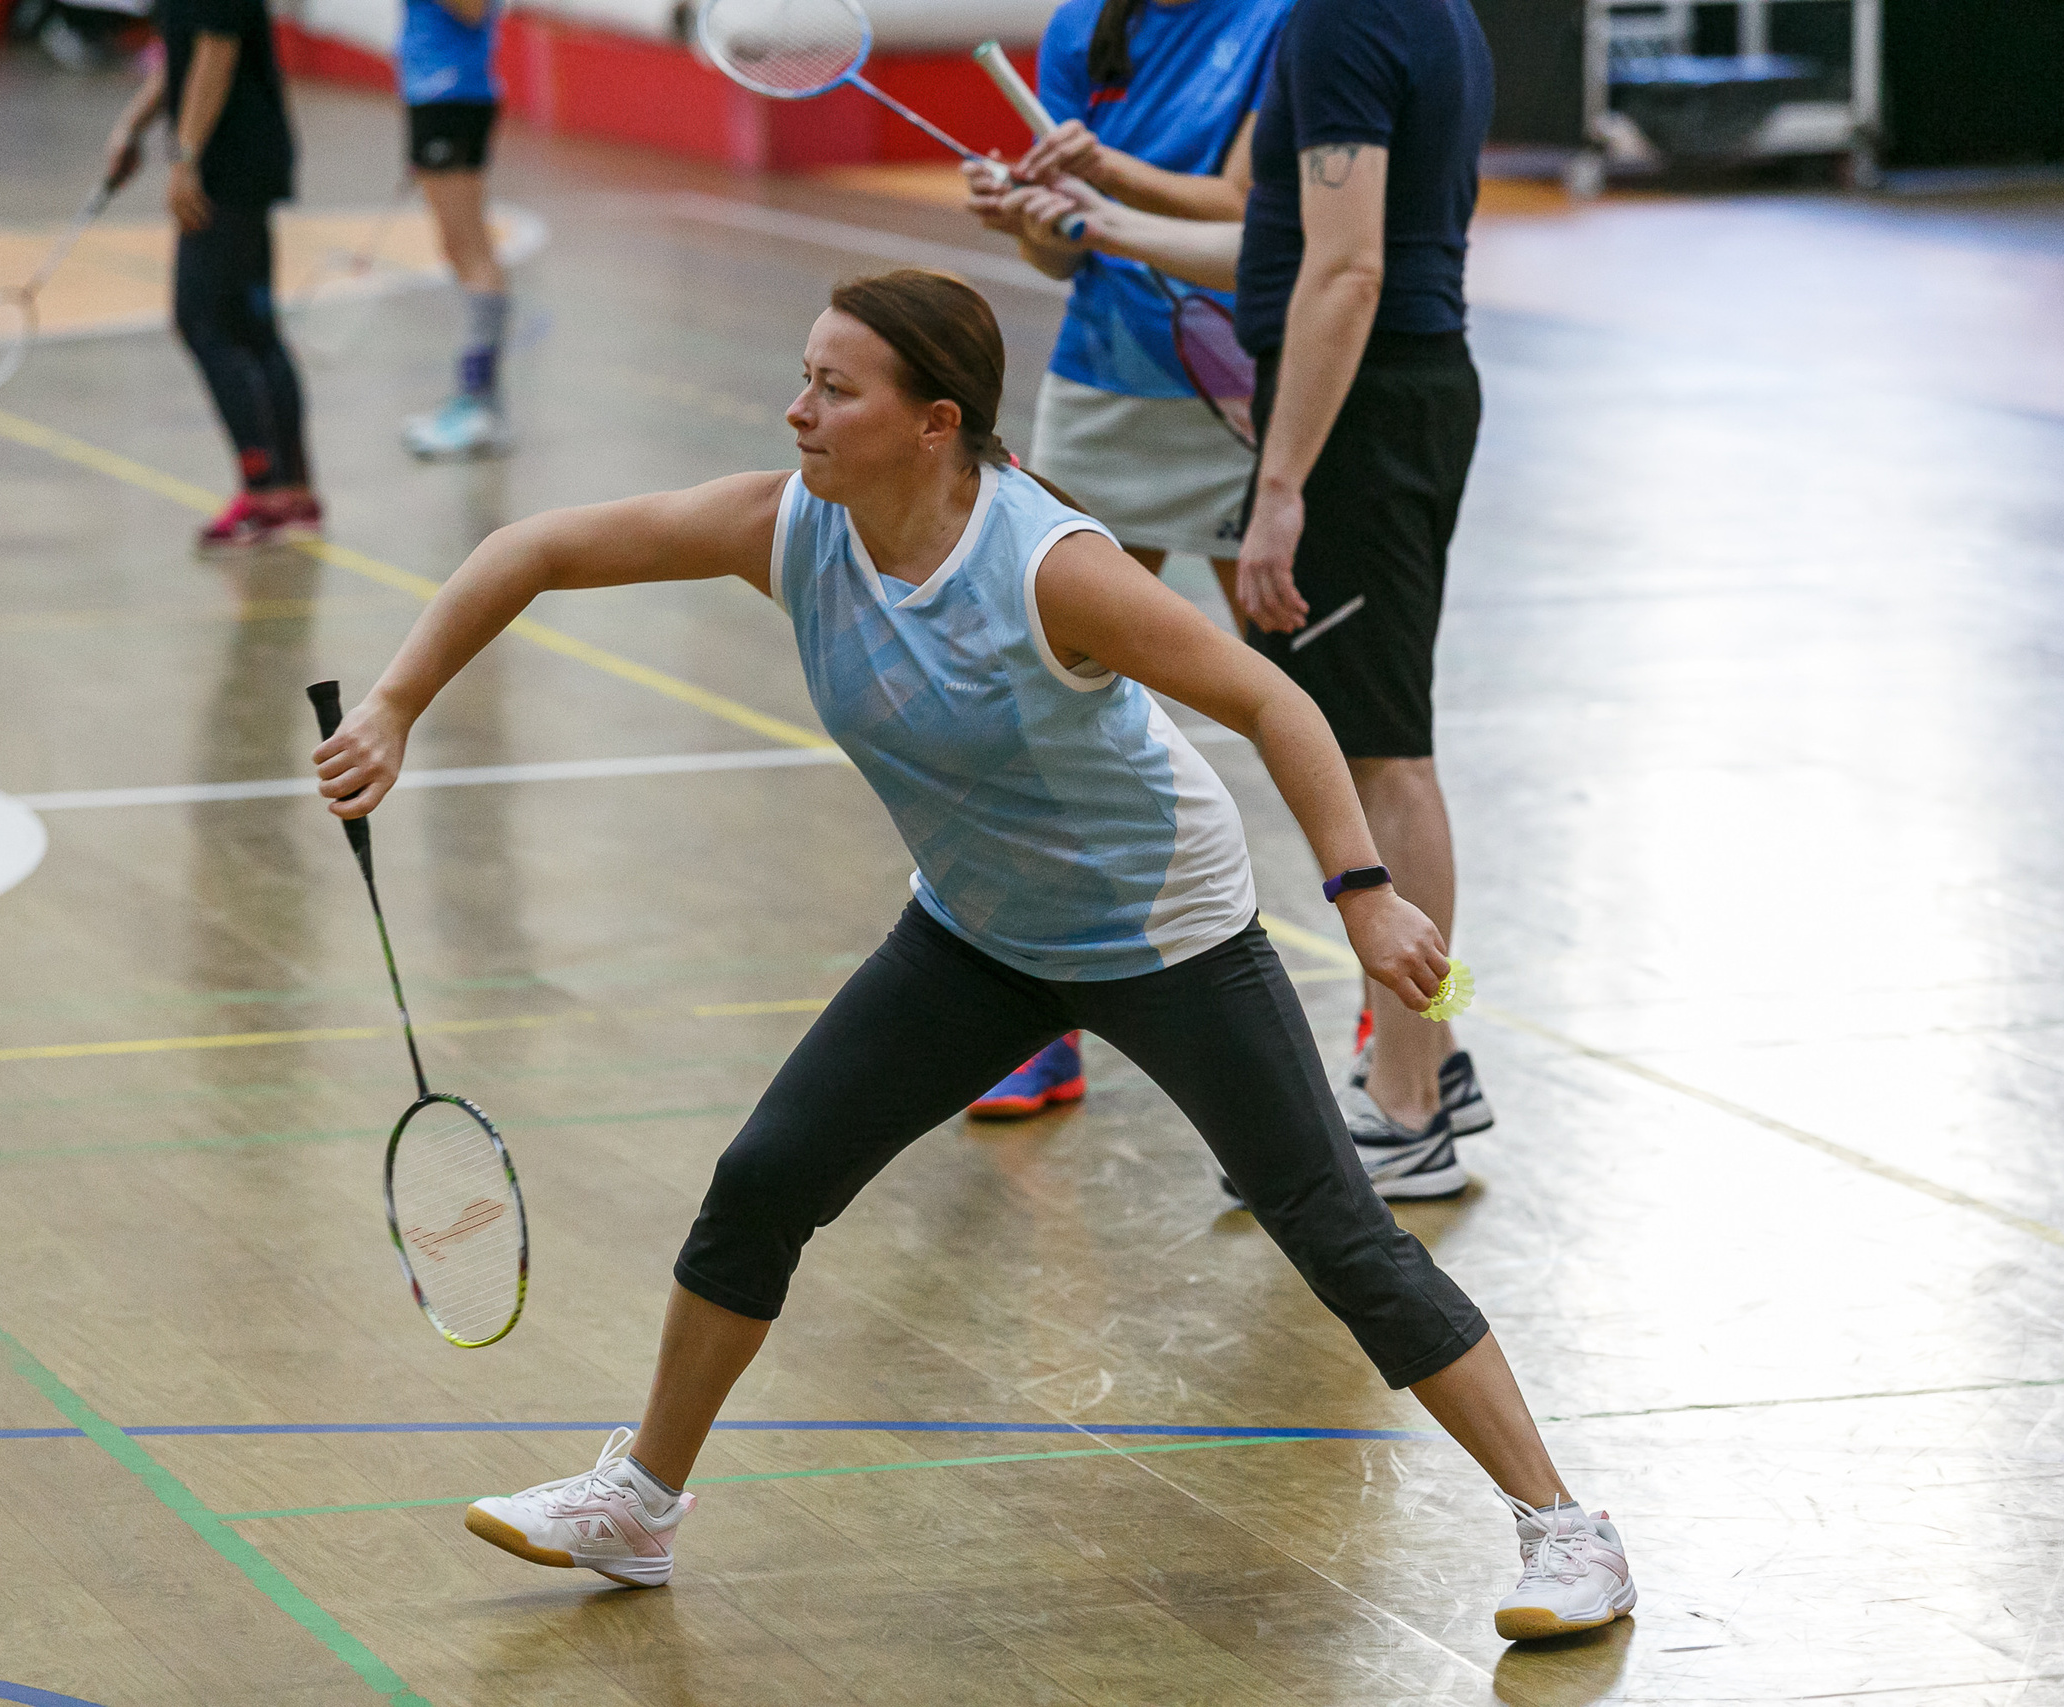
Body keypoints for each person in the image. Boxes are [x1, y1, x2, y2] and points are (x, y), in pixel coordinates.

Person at [310, 268, 1635, 1641]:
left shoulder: (1048, 567)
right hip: (977, 930)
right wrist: (399, 703)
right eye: (804, 375)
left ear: (935, 421)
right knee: (765, 1179)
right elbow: (535, 546)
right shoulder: (789, 527)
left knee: (1335, 1229)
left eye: (835, 387)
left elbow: (1271, 696)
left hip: (1162, 930)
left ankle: (1568, 1528)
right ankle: (642, 1497)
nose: (798, 409)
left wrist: (1361, 895)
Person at [994, 0, 1499, 1202]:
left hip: (1365, 415)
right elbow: (1282, 245)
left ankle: (1410, 1097)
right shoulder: (1424, 15)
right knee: (1372, 740)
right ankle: (1438, 1057)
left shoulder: (1334, 22)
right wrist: (1097, 217)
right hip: (1390, 395)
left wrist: (1278, 486)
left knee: (1381, 754)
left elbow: (1347, 267)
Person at [955, 0, 1292, 1123]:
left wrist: (1102, 173)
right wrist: (1028, 215)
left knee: (1321, 707)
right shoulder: (1077, 30)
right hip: (1104, 384)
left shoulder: (1278, 18)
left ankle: (1405, 1011)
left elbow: (1249, 211)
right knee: (1043, 708)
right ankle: (1040, 1022)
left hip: (1254, 392)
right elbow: (1062, 253)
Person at [105, 0, 322, 551]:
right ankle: (291, 490)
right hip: (237, 161)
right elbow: (183, 53)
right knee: (253, 327)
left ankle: (263, 489)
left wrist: (185, 158)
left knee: (201, 321)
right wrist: (131, 126)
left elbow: (217, 52)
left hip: (229, 167)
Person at [395, 0, 514, 460]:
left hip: (451, 90)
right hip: (433, 93)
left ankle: (480, 407)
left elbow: (472, 8)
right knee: (459, 249)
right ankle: (475, 404)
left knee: (473, 253)